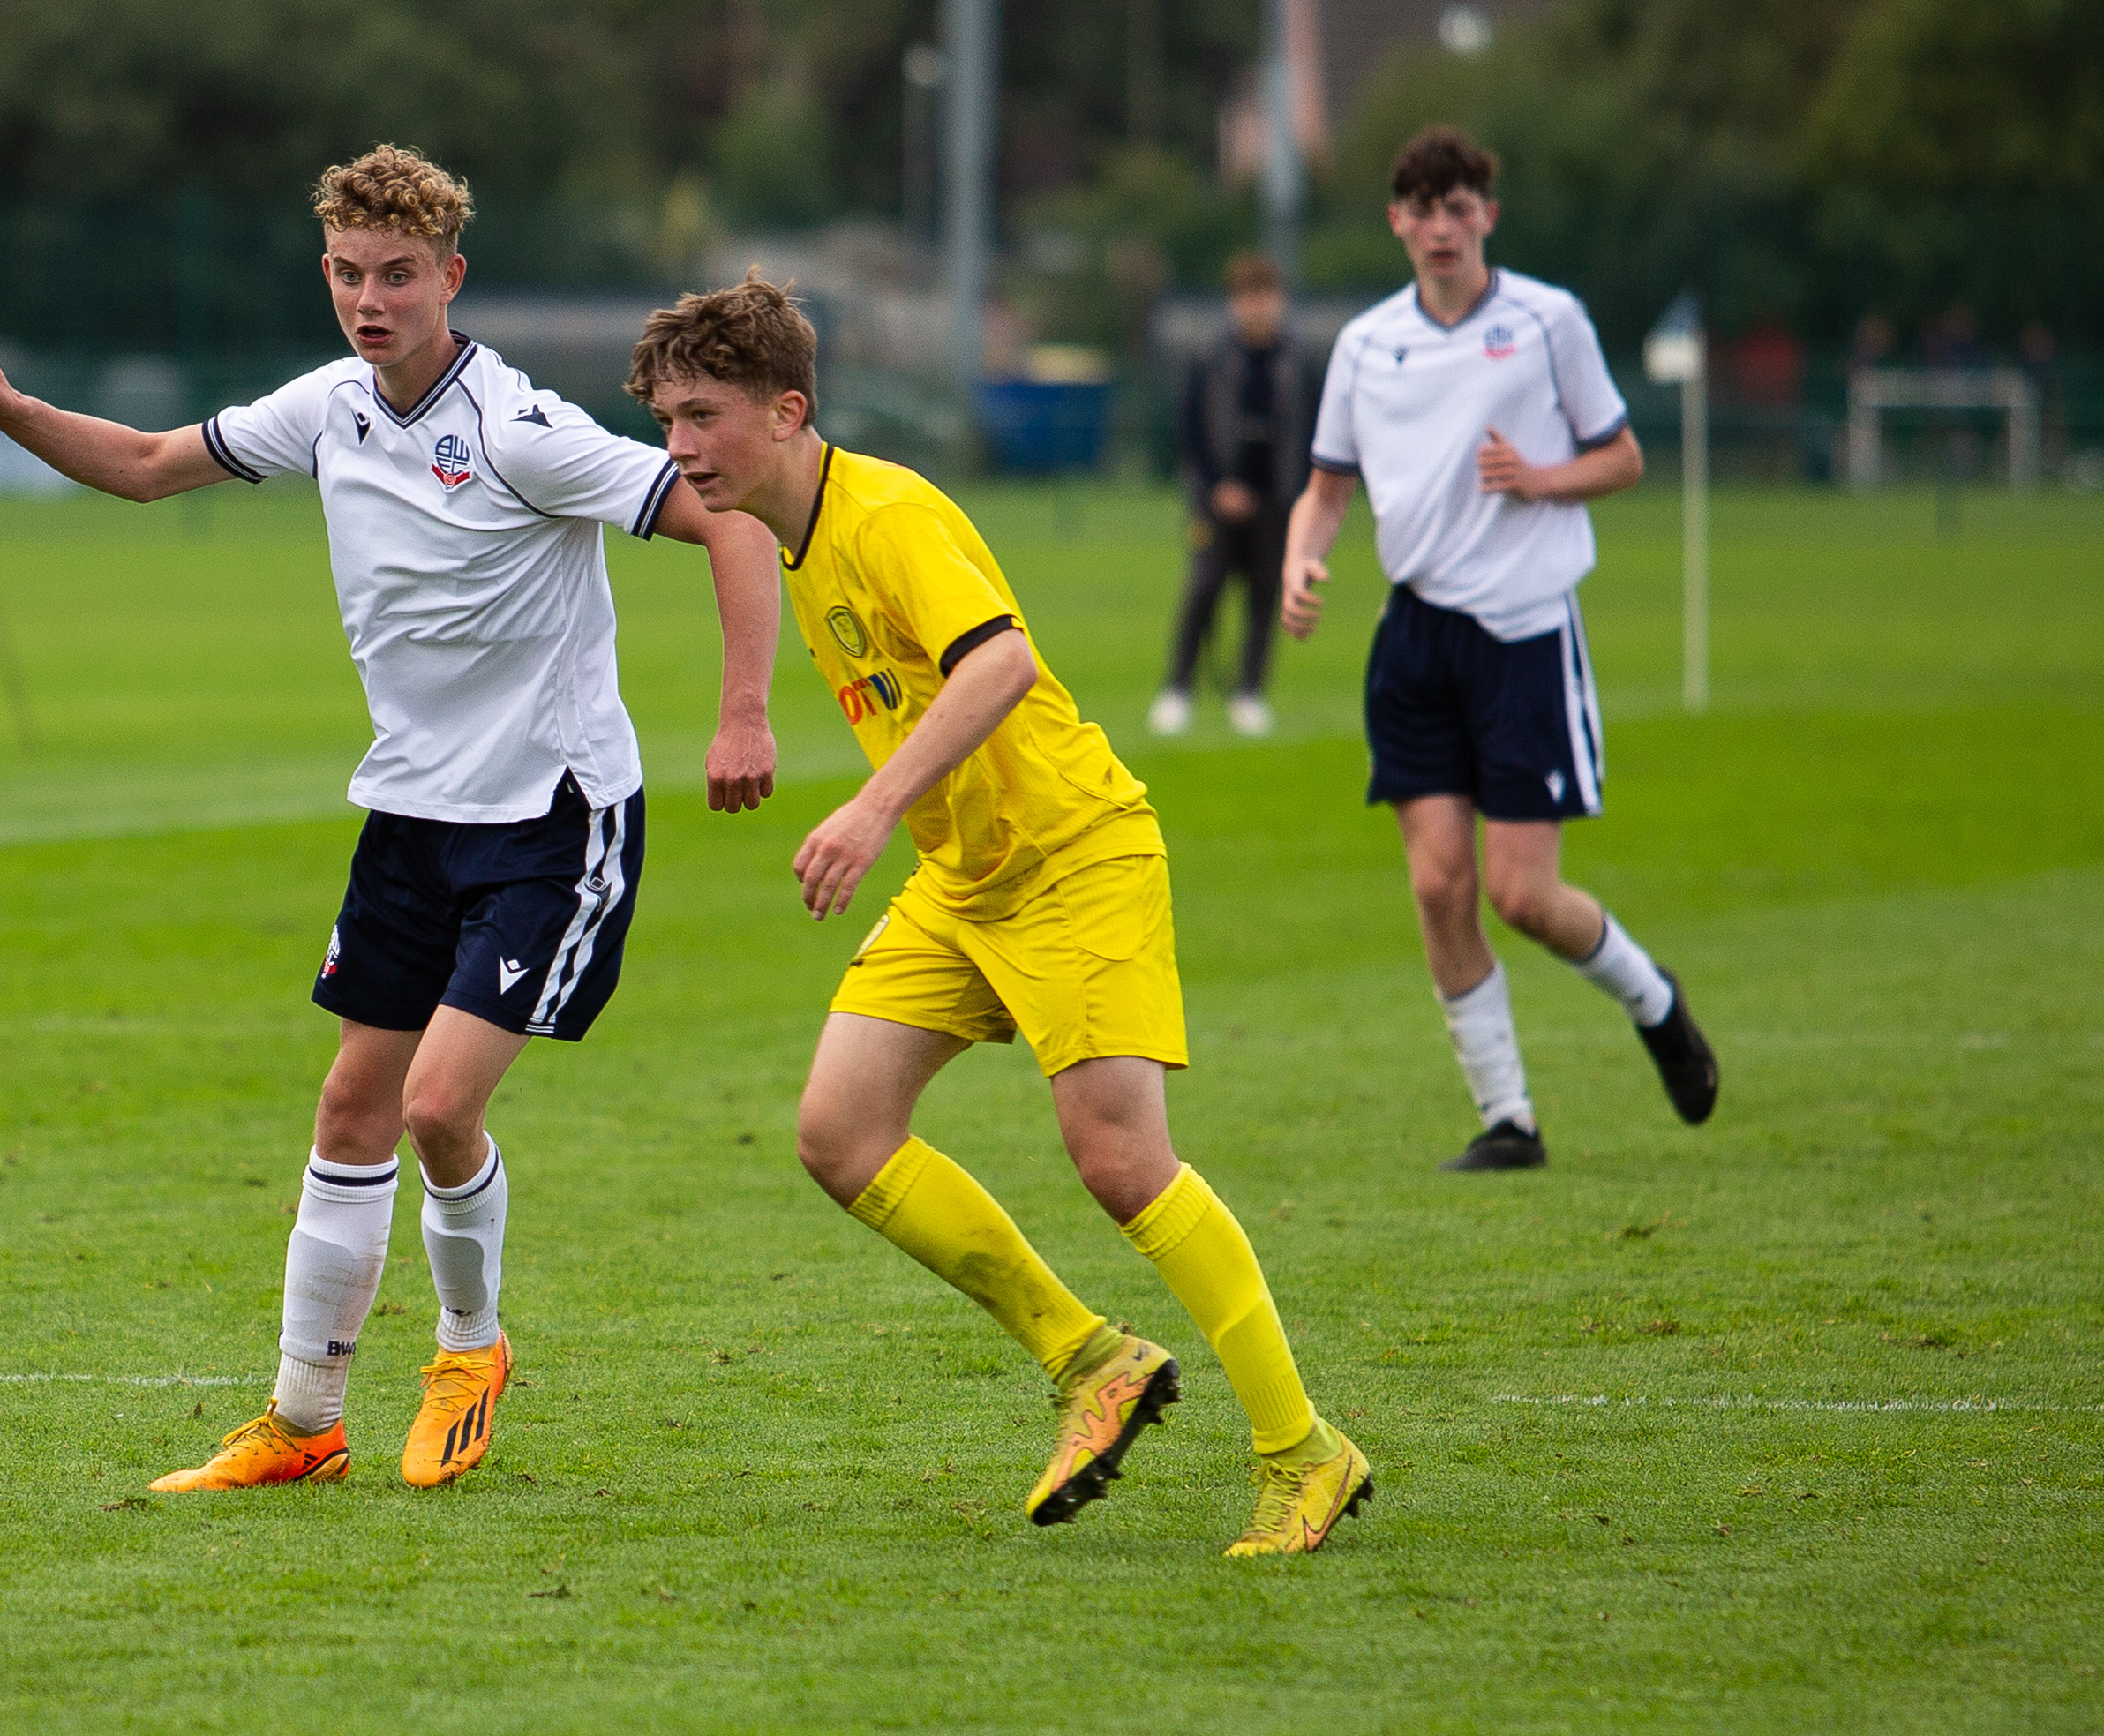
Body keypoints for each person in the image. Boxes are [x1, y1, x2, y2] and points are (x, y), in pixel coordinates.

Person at [0, 144, 782, 1497]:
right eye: (348, 274)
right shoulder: (327, 407)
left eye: (398, 275)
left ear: (451, 278)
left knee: (437, 1106)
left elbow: (735, 527)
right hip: (411, 812)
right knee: (350, 1107)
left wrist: (742, 715)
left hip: (549, 818)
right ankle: (304, 1419)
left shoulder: (519, 430)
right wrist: (5, 405)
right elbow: (144, 464)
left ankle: (469, 1349)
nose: (370, 300)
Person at [635, 272, 1371, 1557]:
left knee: (1121, 1162)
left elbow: (1004, 662)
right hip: (968, 879)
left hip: (1072, 854)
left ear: (787, 411)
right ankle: (1092, 1361)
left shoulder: (886, 513)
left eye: (703, 415)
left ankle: (1303, 1449)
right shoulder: (791, 533)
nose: (680, 446)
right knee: (840, 1132)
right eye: (665, 420)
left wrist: (871, 810)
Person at [1281, 126, 1717, 1171]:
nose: (1441, 226)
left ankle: (1655, 1002)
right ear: (1397, 221)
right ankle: (1508, 1118)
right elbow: (1328, 488)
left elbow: (1623, 456)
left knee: (1522, 895)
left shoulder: (1546, 321)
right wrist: (1302, 559)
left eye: (1459, 205)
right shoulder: (1366, 344)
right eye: (1423, 208)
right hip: (1414, 640)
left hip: (1524, 633)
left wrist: (1540, 479)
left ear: (1488, 215)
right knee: (1440, 886)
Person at [1151, 251, 1311, 739]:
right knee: (1204, 589)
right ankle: (1177, 690)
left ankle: (1249, 693)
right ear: (1234, 303)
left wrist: (1297, 493)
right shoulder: (1210, 358)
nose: (1258, 307)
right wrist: (1215, 487)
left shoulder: (1298, 361)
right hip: (1216, 501)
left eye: (1266, 295)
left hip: (1276, 500)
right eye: (1248, 297)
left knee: (1265, 594)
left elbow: (1311, 431)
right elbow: (1190, 431)